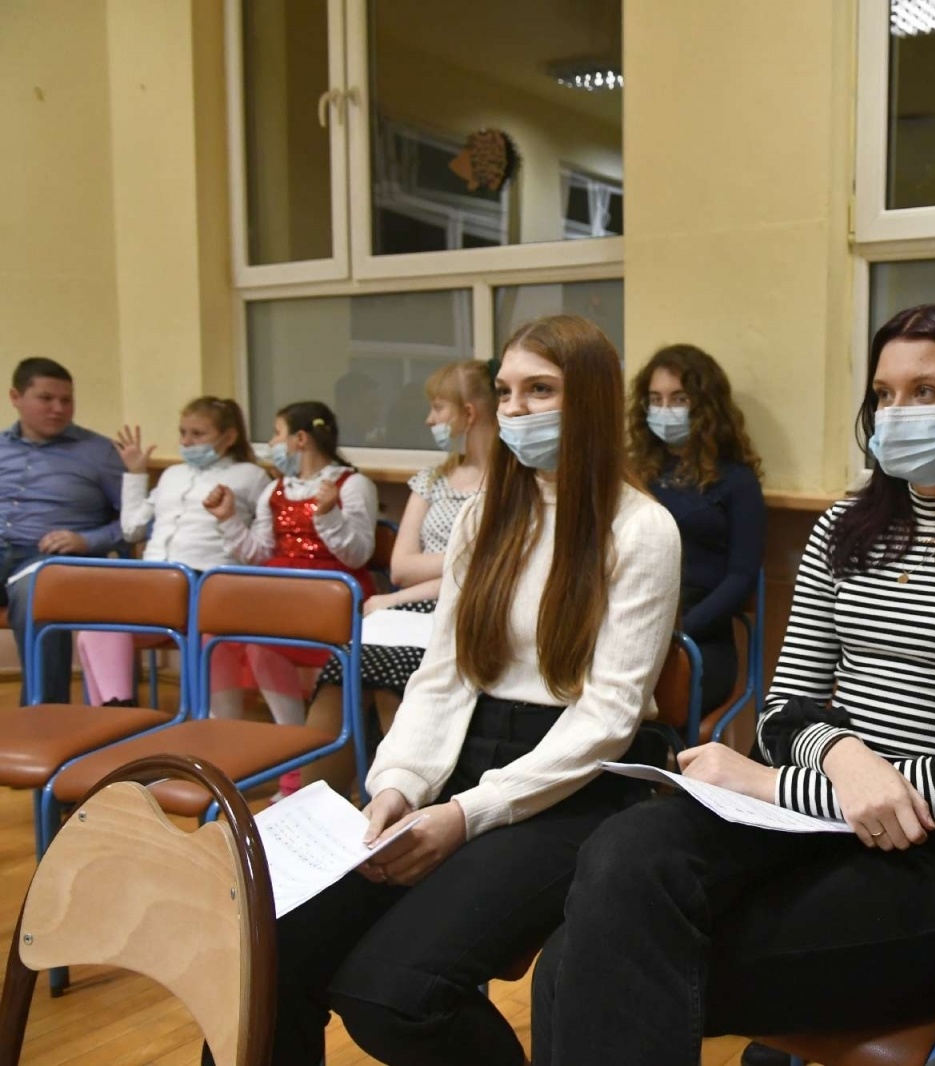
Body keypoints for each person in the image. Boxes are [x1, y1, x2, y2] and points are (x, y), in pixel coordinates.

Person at [532, 300, 935, 1065]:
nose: (897, 412)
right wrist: (845, 758)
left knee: (578, 967)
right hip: (819, 826)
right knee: (630, 844)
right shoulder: (843, 528)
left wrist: (770, 786)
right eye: (884, 395)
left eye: (926, 392)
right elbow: (786, 708)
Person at [198, 315, 680, 1066]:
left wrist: (465, 814)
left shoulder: (643, 529)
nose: (515, 410)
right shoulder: (487, 514)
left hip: (576, 786)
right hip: (458, 758)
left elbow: (607, 719)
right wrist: (396, 785)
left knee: (391, 993)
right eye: (506, 392)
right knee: (267, 949)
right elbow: (445, 674)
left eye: (540, 390)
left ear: (589, 399)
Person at [298, 359, 495, 796]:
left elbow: (490, 573)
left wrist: (398, 597)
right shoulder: (432, 480)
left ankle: (401, 808)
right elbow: (403, 566)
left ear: (470, 412)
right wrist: (463, 562)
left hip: (472, 609)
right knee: (341, 670)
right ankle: (307, 808)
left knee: (393, 677)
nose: (430, 420)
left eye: (439, 408)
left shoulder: (515, 485)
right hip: (412, 606)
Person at [75, 397, 271, 706]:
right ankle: (118, 714)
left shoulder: (251, 476)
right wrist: (136, 474)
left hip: (207, 580)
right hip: (153, 577)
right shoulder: (172, 475)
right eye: (183, 433)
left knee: (104, 622)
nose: (187, 441)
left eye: (198, 434)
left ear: (229, 437)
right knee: (94, 625)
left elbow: (263, 543)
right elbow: (132, 529)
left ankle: (119, 715)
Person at [202, 401, 377, 726]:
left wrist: (329, 515)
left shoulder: (352, 485)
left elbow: (359, 553)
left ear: (300, 439)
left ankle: (301, 744)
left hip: (330, 594)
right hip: (280, 589)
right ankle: (233, 731)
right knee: (217, 632)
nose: (271, 444)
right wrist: (229, 519)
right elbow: (260, 553)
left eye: (276, 433)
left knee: (264, 641)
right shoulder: (276, 489)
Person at [628, 344, 765, 710]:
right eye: (655, 399)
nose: (665, 410)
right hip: (630, 621)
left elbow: (741, 577)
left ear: (704, 406)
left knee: (638, 695)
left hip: (698, 637)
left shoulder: (737, 482)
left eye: (678, 399)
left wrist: (675, 630)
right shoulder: (634, 475)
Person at [0, 358, 123, 703]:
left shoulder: (99, 452)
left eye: (66, 400)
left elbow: (137, 521)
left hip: (52, 558)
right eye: (46, 399)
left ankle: (45, 714)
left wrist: (87, 540)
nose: (58, 409)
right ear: (15, 397)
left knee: (36, 592)